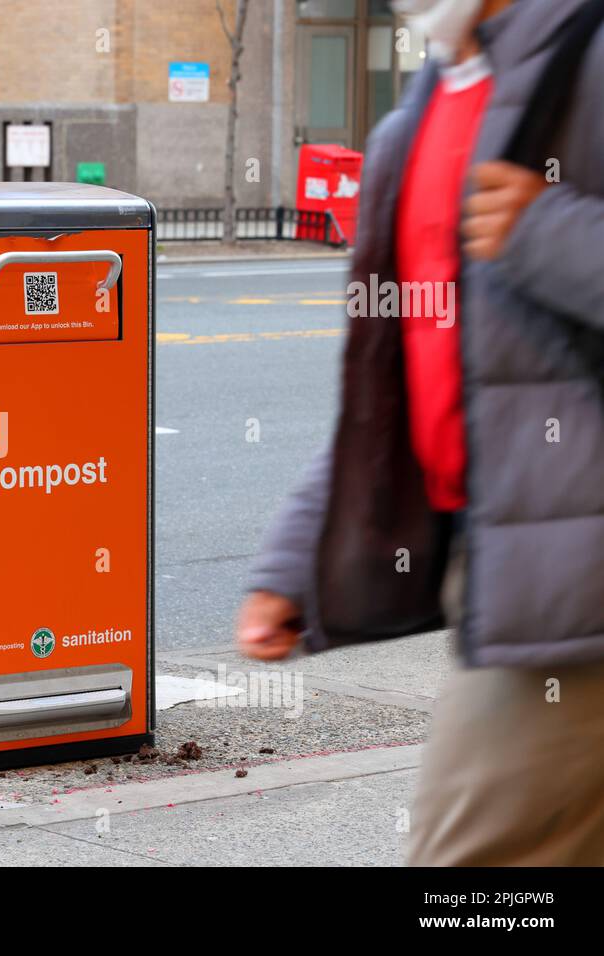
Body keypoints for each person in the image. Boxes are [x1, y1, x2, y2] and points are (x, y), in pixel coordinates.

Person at [236, 0, 604, 865]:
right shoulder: (418, 117)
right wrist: (294, 562)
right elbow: (394, 387)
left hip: (573, 583)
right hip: (508, 565)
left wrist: (548, 232)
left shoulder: (587, 61)